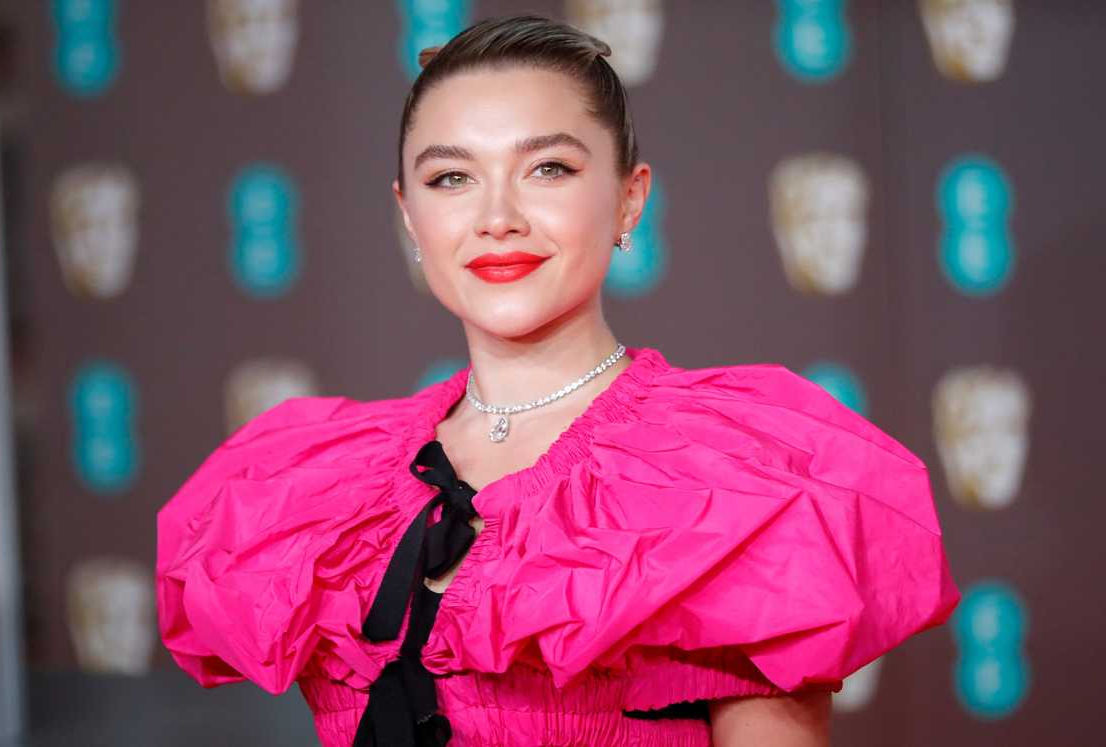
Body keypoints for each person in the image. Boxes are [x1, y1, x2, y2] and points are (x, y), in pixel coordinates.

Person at [155, 14, 961, 747]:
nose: (496, 216)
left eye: (547, 168)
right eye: (451, 178)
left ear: (629, 199)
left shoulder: (731, 474)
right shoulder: (317, 477)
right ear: (409, 216)